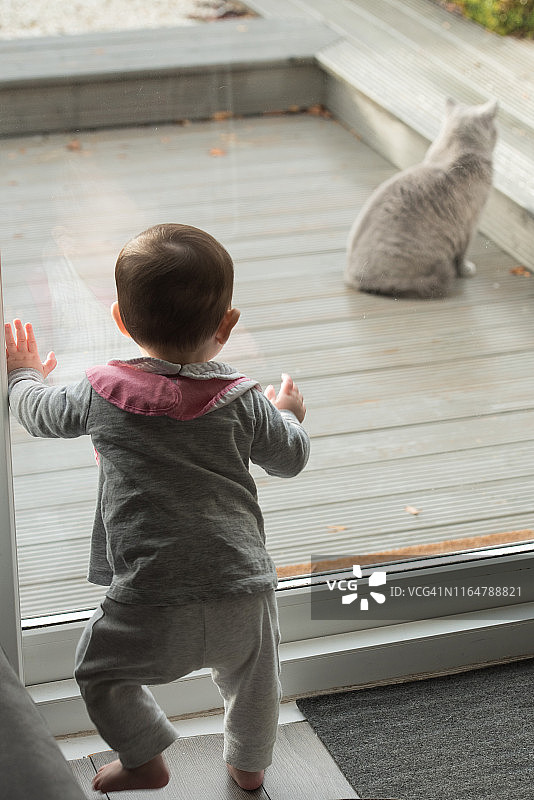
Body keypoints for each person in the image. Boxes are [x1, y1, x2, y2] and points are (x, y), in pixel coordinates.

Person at [5, 223, 309, 794]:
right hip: (241, 586)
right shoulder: (245, 399)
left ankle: (145, 758)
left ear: (120, 321)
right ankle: (248, 769)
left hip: (150, 593)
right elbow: (290, 459)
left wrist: (22, 374)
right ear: (227, 325)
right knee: (254, 684)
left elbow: (39, 415)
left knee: (99, 673)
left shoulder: (99, 390)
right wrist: (288, 413)